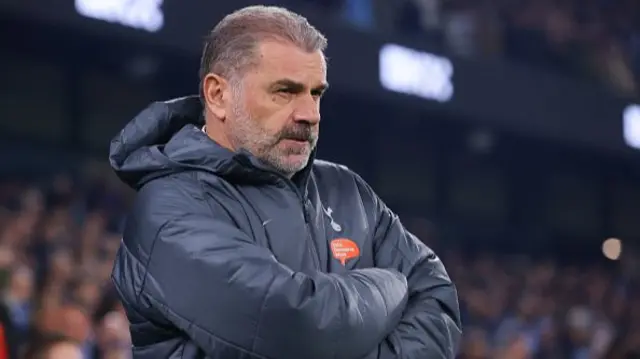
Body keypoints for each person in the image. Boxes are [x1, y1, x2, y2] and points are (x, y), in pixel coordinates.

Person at [109, 5, 461, 359]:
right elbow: (300, 327)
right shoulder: (169, 208)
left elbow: (437, 298)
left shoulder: (347, 191)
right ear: (218, 95)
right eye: (285, 91)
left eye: (316, 93)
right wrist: (391, 284)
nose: (309, 114)